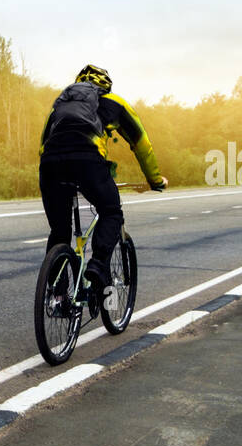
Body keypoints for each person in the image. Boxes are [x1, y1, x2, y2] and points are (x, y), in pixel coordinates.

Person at [38, 64, 167, 298]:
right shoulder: (113, 101)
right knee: (111, 212)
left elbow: (43, 145)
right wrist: (155, 179)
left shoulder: (59, 105)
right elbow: (141, 143)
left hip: (50, 165)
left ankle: (57, 294)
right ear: (105, 85)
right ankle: (97, 265)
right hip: (87, 160)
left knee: (59, 230)